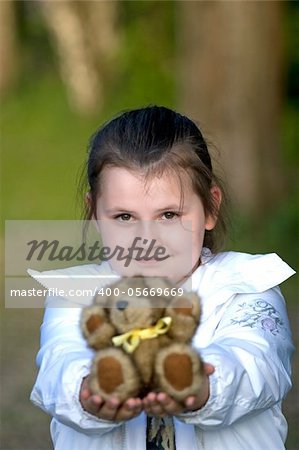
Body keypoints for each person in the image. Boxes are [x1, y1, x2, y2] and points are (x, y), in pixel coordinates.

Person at [29, 106, 295, 450]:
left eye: (169, 214)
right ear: (95, 214)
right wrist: (89, 390)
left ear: (210, 207)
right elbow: (61, 361)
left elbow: (255, 362)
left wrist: (197, 383)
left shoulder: (247, 286)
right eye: (124, 216)